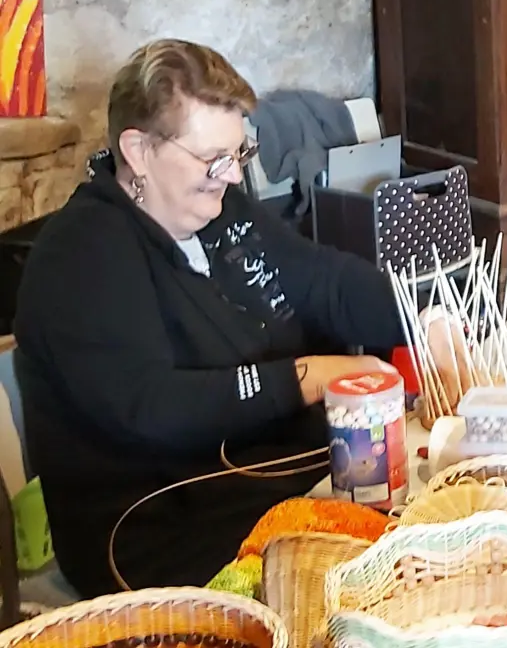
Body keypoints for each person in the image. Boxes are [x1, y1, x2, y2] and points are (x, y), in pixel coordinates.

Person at [14, 39, 409, 596]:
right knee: (387, 574)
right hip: (159, 538)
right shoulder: (82, 254)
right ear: (138, 150)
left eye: (239, 155)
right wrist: (306, 377)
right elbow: (151, 408)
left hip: (266, 484)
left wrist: (426, 318)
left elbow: (325, 280)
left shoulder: (219, 215)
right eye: (211, 159)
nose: (229, 175)